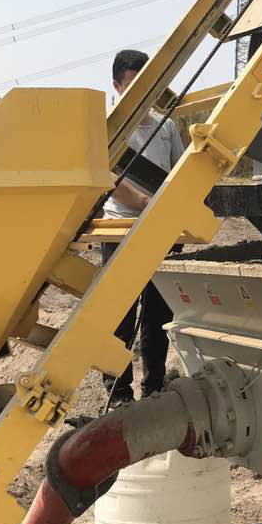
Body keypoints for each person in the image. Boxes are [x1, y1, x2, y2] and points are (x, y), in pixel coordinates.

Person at [101, 48, 185, 404]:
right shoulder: (108, 128)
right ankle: (118, 391)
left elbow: (182, 173)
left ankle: (154, 385)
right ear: (117, 86)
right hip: (120, 229)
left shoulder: (167, 129)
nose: (142, 93)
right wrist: (146, 203)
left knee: (158, 314)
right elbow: (108, 177)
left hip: (162, 231)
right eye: (133, 85)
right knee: (119, 314)